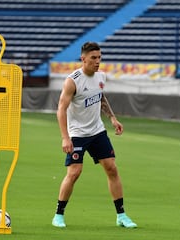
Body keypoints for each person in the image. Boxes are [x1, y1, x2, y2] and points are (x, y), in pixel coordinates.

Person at [51, 42, 136, 228]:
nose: (97, 62)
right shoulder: (72, 81)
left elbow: (101, 96)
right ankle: (59, 215)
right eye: (93, 58)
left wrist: (112, 118)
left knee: (112, 168)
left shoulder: (101, 77)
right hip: (78, 134)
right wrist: (65, 137)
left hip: (97, 131)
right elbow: (61, 109)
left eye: (99, 57)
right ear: (83, 59)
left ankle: (121, 216)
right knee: (74, 172)